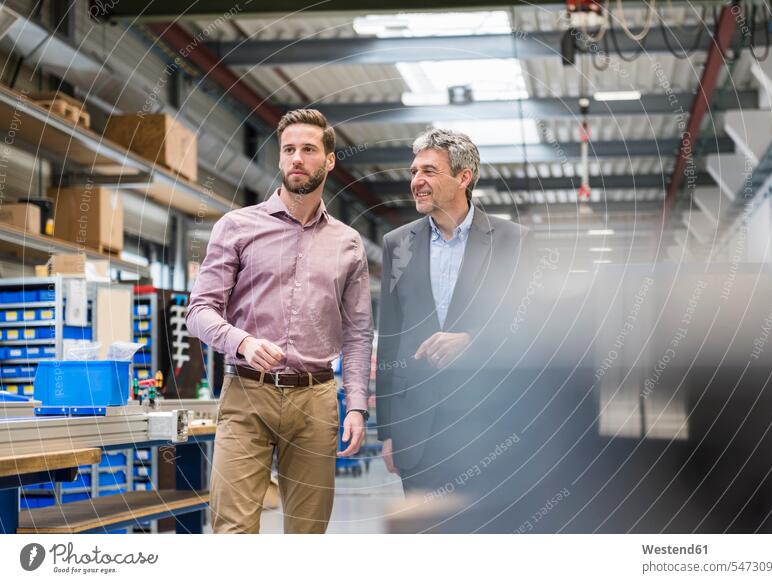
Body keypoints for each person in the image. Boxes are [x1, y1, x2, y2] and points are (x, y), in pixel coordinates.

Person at [186, 109, 373, 534]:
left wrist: (357, 405)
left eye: (309, 150)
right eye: (289, 150)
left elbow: (359, 333)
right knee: (232, 530)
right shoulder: (236, 227)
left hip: (316, 400)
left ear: (329, 161)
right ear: (279, 158)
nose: (297, 159)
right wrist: (243, 342)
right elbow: (198, 311)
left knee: (307, 534)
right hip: (246, 394)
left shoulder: (348, 243)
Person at [376, 128, 531, 519]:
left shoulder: (513, 242)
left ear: (464, 177)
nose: (416, 181)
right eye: (414, 171)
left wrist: (474, 341)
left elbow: (529, 328)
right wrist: (389, 431)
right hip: (418, 432)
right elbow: (391, 338)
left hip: (490, 425)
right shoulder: (398, 244)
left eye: (429, 170)